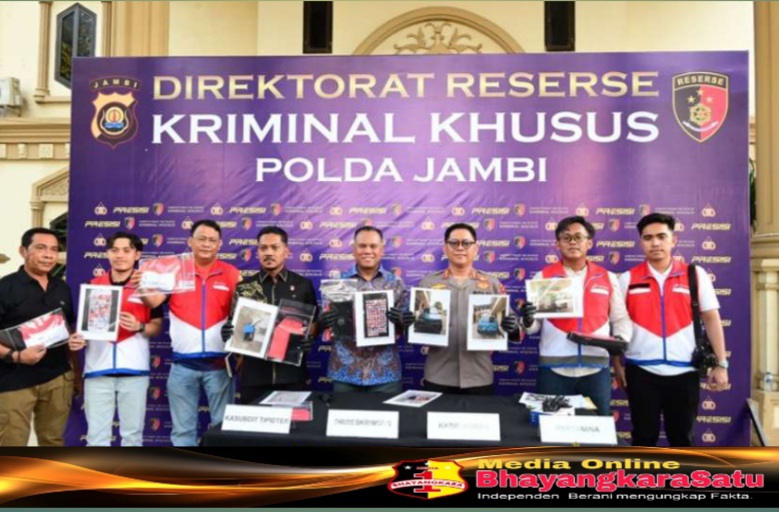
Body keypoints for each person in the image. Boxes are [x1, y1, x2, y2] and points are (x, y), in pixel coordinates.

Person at [615, 212, 729, 446]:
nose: (655, 243)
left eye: (661, 236)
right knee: (643, 439)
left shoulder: (694, 275)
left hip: (684, 372)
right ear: (641, 242)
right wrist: (618, 366)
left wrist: (721, 364)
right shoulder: (627, 279)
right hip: (641, 372)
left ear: (673, 240)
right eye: (648, 238)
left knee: (682, 440)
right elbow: (616, 326)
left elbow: (711, 319)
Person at [137, 219, 240, 446]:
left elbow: (244, 315)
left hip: (219, 366)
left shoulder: (232, 274)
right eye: (201, 239)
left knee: (223, 431)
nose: (206, 244)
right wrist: (141, 286)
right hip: (182, 366)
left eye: (212, 240)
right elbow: (153, 301)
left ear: (220, 244)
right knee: (183, 432)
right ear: (190, 241)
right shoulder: (175, 270)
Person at [522, 216, 631, 416]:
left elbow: (620, 319)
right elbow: (533, 327)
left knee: (597, 428)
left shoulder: (606, 277)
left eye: (579, 237)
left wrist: (621, 341)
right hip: (553, 370)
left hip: (595, 370)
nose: (573, 242)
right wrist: (528, 320)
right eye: (566, 237)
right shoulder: (544, 277)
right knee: (551, 428)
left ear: (589, 243)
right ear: (557, 244)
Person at [0, 228, 86, 446]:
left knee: (53, 443)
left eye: (54, 249)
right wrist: (16, 356)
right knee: (12, 444)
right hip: (14, 380)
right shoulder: (5, 287)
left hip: (57, 379)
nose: (49, 255)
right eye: (41, 248)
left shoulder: (62, 288)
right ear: (23, 251)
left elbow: (67, 331)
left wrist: (76, 374)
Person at [418, 223, 520, 395]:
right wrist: (411, 323)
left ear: (476, 249)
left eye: (466, 243)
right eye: (454, 243)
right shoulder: (428, 284)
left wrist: (513, 327)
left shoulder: (492, 284)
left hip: (478, 376)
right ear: (445, 248)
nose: (460, 248)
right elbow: (416, 330)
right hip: (438, 375)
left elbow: (512, 326)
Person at [82, 232, 163, 446]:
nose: (120, 255)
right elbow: (83, 330)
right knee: (96, 437)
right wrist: (79, 338)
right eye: (114, 250)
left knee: (132, 437)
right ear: (107, 253)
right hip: (97, 370)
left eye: (127, 250)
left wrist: (139, 326)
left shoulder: (148, 288)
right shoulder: (93, 284)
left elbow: (156, 326)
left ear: (137, 255)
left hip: (134, 370)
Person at [221, 226, 317, 404]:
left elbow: (313, 324)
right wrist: (228, 332)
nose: (268, 253)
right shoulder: (244, 287)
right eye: (263, 248)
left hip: (291, 376)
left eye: (275, 247)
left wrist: (310, 337)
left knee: (292, 422)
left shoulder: (303, 285)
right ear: (257, 252)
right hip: (253, 377)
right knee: (253, 423)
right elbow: (236, 326)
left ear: (286, 251)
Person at [319, 226, 412, 393]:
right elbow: (324, 324)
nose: (368, 251)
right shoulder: (338, 283)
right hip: (345, 372)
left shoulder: (396, 283)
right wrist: (323, 321)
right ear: (353, 249)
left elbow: (409, 328)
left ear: (382, 249)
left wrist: (403, 321)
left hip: (385, 374)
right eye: (362, 246)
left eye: (373, 246)